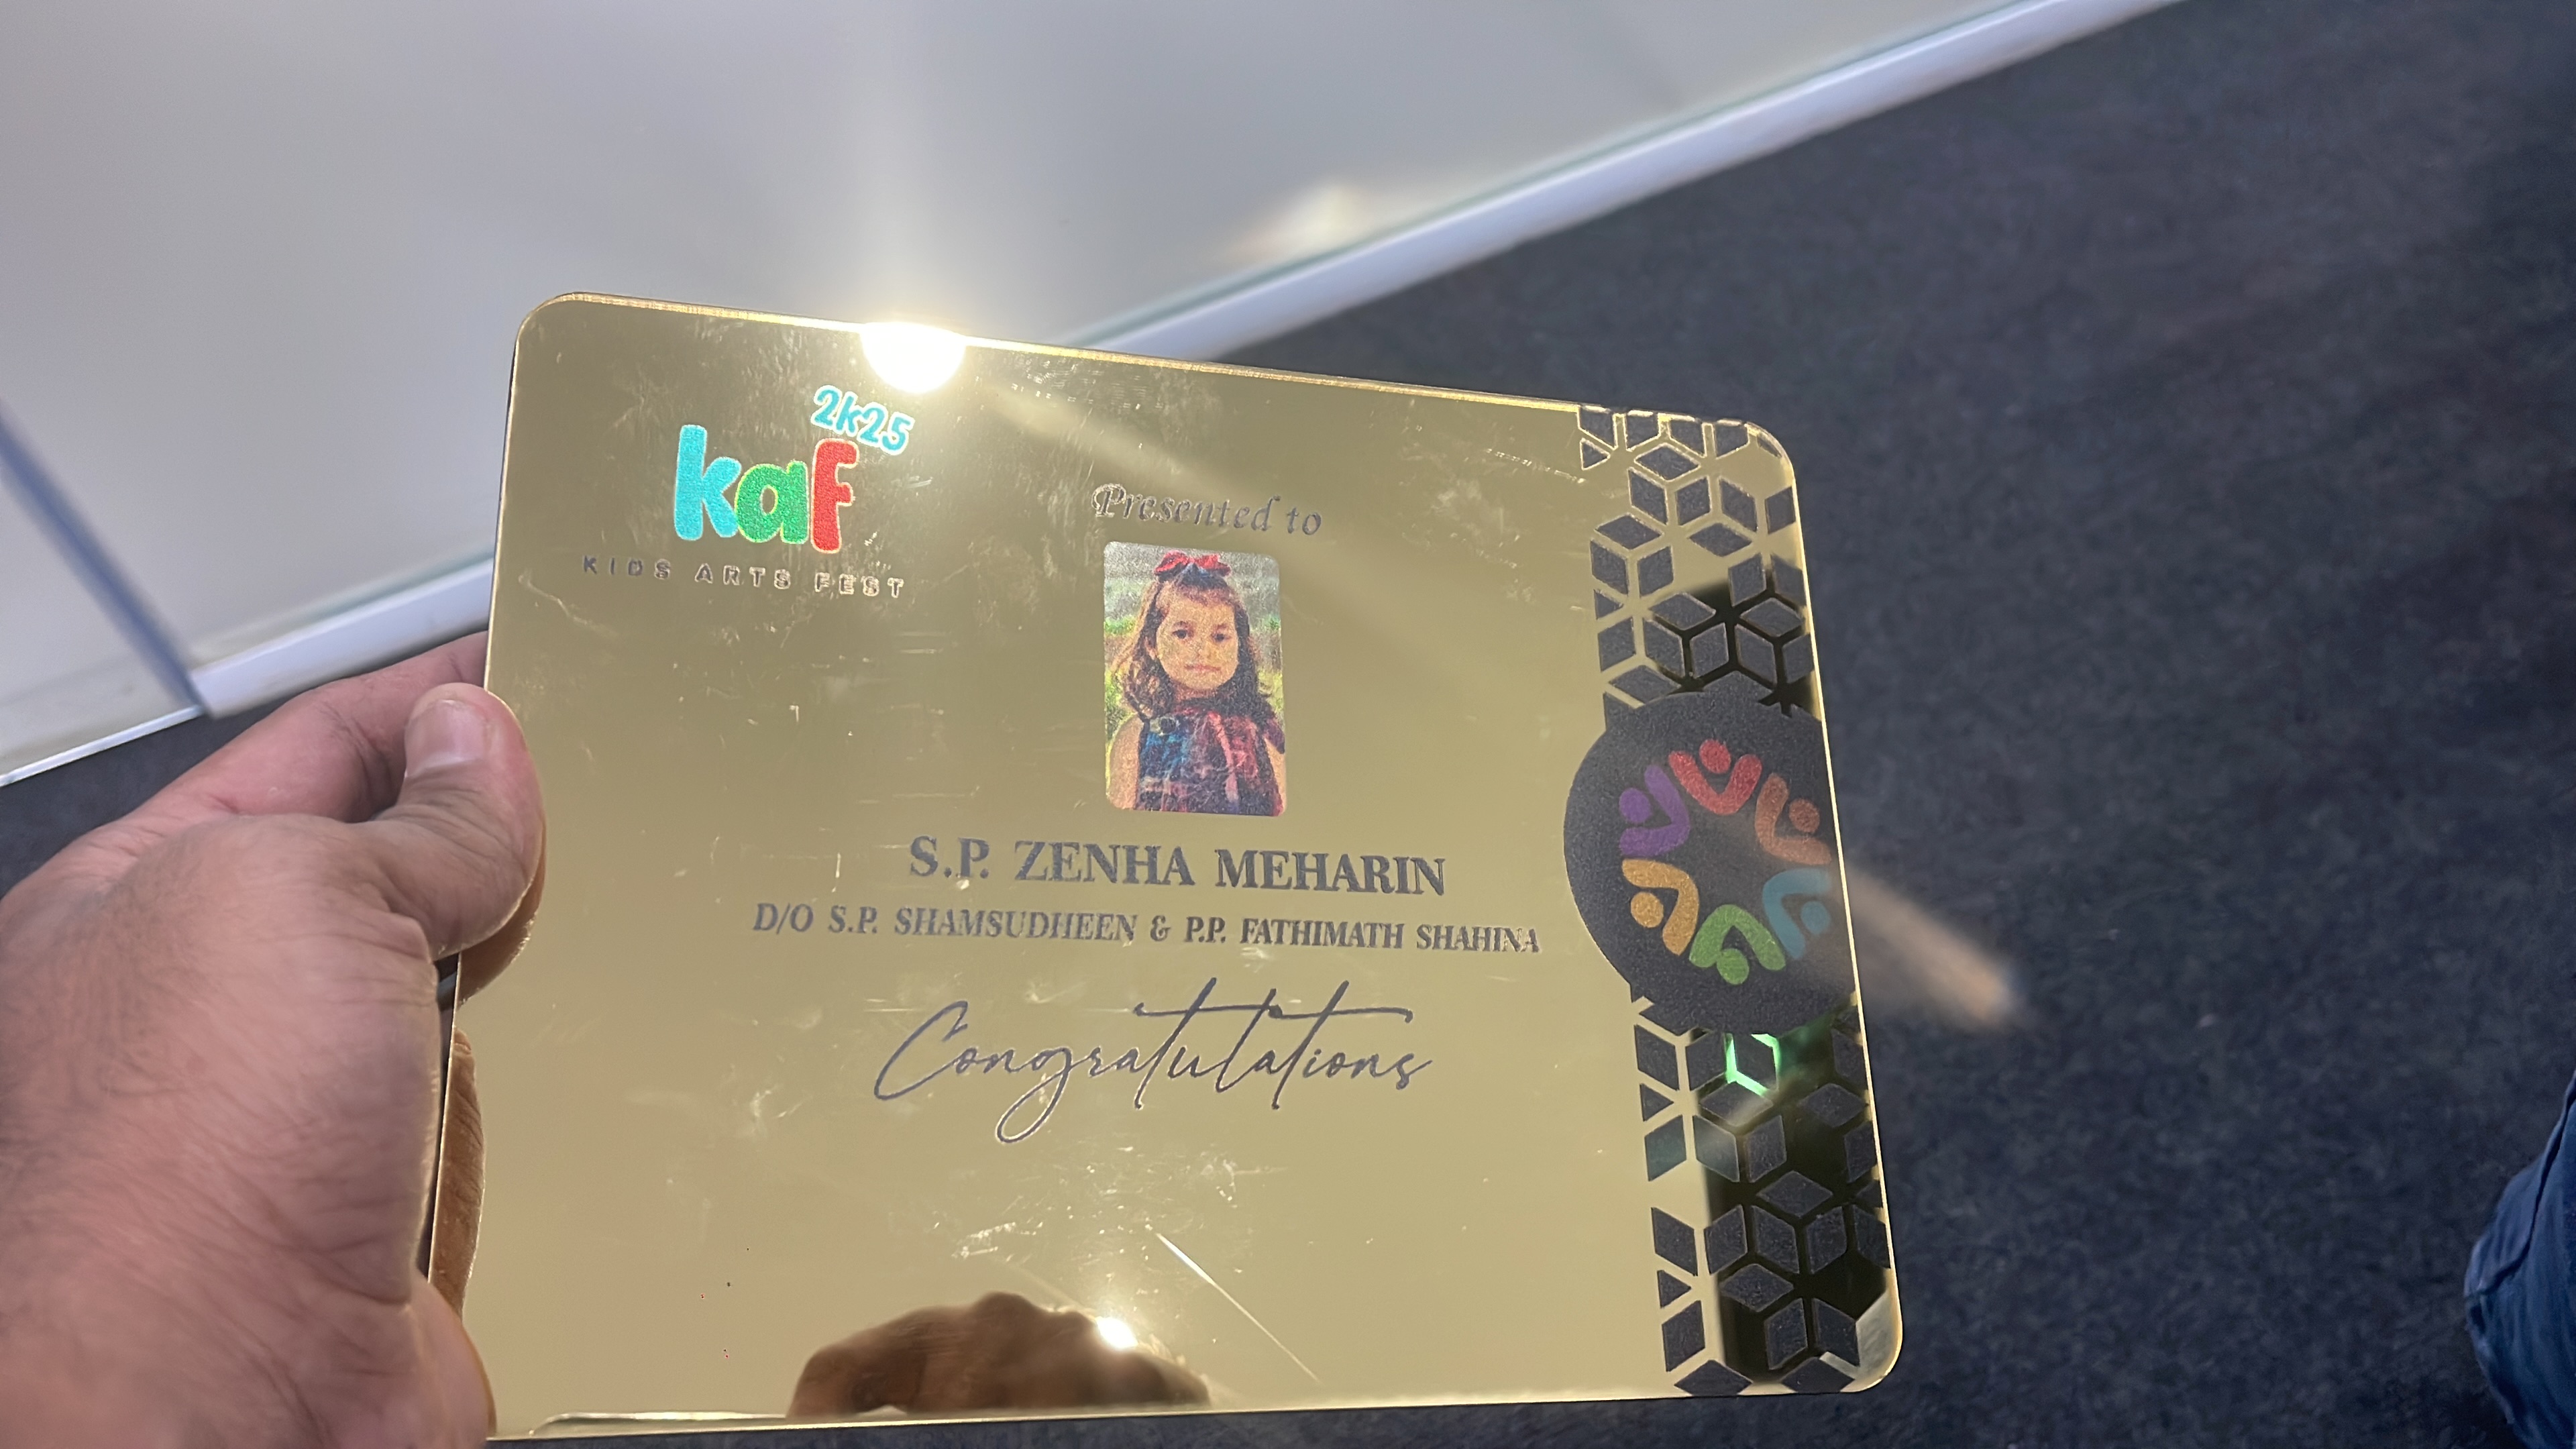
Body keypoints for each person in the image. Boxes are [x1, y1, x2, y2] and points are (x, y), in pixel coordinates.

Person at [1105, 551, 1287, 816]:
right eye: (1183, 634)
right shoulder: (1137, 736)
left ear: (1240, 645)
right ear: (1152, 643)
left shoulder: (1261, 730)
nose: (1203, 650)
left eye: (1220, 637)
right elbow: (1117, 820)